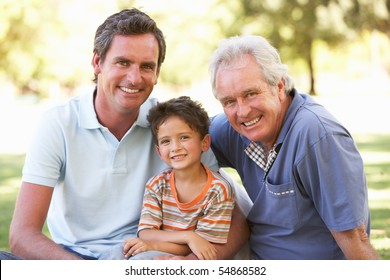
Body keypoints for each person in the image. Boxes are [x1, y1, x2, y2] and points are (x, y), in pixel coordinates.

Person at [0, 8, 249, 260]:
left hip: (140, 256)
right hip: (70, 259)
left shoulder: (172, 127)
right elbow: (23, 235)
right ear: (97, 62)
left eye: (146, 66)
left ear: (157, 73)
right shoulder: (58, 124)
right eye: (123, 62)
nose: (134, 78)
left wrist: (190, 264)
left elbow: (236, 218)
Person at [208, 34, 380, 260]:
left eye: (251, 94)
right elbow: (175, 137)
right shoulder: (232, 130)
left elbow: (354, 238)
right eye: (229, 101)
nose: (242, 111)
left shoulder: (317, 135)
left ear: (279, 86)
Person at [100, 96, 235, 260]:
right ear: (159, 151)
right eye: (166, 141)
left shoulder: (218, 190)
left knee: (139, 260)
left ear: (204, 143)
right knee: (116, 252)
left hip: (177, 257)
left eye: (184, 137)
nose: (175, 148)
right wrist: (188, 236)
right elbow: (146, 233)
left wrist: (153, 245)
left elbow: (203, 247)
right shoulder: (157, 185)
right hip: (153, 246)